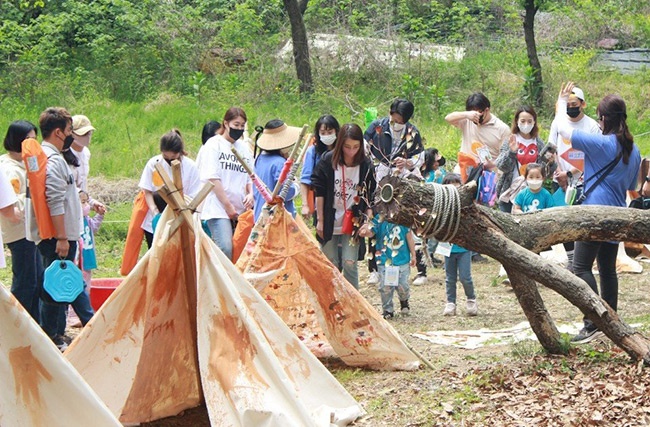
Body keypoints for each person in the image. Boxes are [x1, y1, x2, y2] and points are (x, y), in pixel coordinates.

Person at [555, 83, 640, 343]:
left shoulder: (602, 143)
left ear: (602, 119)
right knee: (607, 269)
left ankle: (594, 321)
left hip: (594, 212)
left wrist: (561, 104)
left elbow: (566, 131)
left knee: (579, 267)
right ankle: (611, 323)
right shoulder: (633, 150)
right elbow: (630, 186)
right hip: (617, 211)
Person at [27, 107, 94, 351]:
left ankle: (55, 334)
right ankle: (74, 328)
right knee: (63, 282)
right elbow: (55, 201)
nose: (71, 135)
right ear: (58, 132)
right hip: (59, 236)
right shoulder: (54, 161)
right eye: (69, 131)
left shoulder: (49, 157)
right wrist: (62, 237)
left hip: (60, 235)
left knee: (56, 283)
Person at [364, 98, 424, 285]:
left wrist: (407, 163)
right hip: (380, 176)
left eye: (399, 120)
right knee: (377, 219)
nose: (395, 122)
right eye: (393, 117)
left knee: (410, 217)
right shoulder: (377, 127)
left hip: (403, 177)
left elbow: (419, 157)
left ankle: (420, 268)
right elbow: (364, 147)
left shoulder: (412, 132)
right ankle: (373, 267)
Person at [311, 123, 376, 289]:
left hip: (353, 220)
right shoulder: (328, 160)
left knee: (350, 262)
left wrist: (368, 221)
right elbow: (319, 191)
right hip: (330, 218)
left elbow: (370, 197)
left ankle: (354, 303)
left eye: (355, 147)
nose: (351, 152)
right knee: (330, 263)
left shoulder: (366, 165)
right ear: (340, 144)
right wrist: (320, 220)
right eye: (347, 147)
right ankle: (330, 299)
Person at [548, 86, 601, 271]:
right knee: (563, 221)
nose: (571, 107)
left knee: (580, 221)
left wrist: (570, 174)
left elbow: (593, 155)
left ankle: (582, 261)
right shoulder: (559, 122)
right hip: (559, 180)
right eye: (568, 104)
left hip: (583, 181)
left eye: (574, 104)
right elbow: (550, 148)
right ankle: (571, 259)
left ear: (582, 104)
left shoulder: (592, 126)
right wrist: (556, 171)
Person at [197, 107, 253, 260]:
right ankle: (219, 282)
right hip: (218, 207)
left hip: (241, 208)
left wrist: (251, 194)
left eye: (242, 126)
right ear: (226, 123)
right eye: (236, 125)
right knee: (225, 248)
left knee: (241, 250)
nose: (239, 129)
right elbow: (212, 178)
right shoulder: (213, 145)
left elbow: (250, 176)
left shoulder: (244, 149)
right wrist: (228, 206)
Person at [0, 120, 43, 322]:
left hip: (30, 231)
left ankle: (34, 326)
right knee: (25, 283)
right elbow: (14, 206)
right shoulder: (9, 169)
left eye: (35, 140)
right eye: (29, 140)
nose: (33, 144)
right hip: (19, 232)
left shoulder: (24, 163)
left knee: (36, 280)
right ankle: (15, 325)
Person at [138, 129, 200, 248]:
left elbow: (193, 196)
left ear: (180, 152)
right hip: (157, 216)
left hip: (182, 216)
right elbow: (147, 190)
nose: (169, 159)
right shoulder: (154, 163)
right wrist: (155, 211)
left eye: (173, 156)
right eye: (165, 156)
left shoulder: (191, 167)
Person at [495, 106, 554, 213]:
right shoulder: (511, 140)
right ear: (517, 121)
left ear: (534, 122)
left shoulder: (539, 143)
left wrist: (551, 163)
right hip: (510, 191)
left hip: (533, 191)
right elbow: (501, 166)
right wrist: (512, 152)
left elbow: (545, 173)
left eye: (529, 121)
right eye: (523, 121)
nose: (526, 124)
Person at [359, 214, 416, 319]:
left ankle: (404, 301)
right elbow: (372, 232)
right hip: (384, 260)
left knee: (403, 285)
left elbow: (409, 237)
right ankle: (387, 309)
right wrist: (366, 232)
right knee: (385, 287)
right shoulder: (379, 218)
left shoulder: (404, 217)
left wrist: (413, 254)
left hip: (402, 259)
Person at [445, 92, 511, 180]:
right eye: (472, 112)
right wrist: (466, 115)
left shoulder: (502, 129)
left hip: (488, 173)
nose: (476, 116)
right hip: (465, 168)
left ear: (487, 110)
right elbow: (448, 118)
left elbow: (506, 157)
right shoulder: (467, 120)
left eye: (479, 112)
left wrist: (493, 165)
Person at [440, 173, 477, 317]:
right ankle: (451, 303)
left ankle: (471, 299)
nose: (453, 186)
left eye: (456, 183)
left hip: (463, 248)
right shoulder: (441, 207)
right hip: (448, 247)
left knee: (465, 277)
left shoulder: (466, 204)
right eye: (449, 183)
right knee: (450, 278)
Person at [252, 119, 301, 221]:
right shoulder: (279, 163)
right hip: (276, 220)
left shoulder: (259, 159)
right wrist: (296, 186)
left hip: (260, 217)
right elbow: (286, 192)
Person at [413, 148, 446, 285]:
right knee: (418, 241)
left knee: (436, 237)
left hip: (437, 211)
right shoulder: (421, 175)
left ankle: (431, 258)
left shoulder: (440, 173)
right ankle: (422, 271)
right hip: (421, 212)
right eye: (435, 158)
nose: (437, 161)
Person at [300, 115, 340, 220]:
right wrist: (305, 205)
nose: (326, 135)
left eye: (330, 132)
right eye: (323, 133)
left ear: (336, 131)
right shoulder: (312, 152)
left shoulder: (343, 150)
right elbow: (305, 180)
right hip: (320, 199)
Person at [79, 190, 104, 287]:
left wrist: (100, 215)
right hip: (78, 258)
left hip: (88, 255)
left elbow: (93, 227)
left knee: (87, 280)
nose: (87, 205)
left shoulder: (87, 219)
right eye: (83, 202)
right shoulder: (72, 222)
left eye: (86, 202)